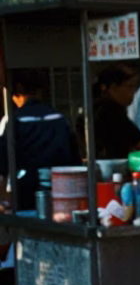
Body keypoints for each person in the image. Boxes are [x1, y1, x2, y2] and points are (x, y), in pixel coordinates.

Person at [0, 70, 81, 210]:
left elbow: (2, 162)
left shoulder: (15, 121)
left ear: (18, 89)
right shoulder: (60, 119)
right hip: (62, 193)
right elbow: (75, 160)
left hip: (25, 196)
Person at [93, 64, 140, 159]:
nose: (134, 92)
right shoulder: (111, 111)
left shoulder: (100, 108)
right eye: (130, 86)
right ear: (113, 88)